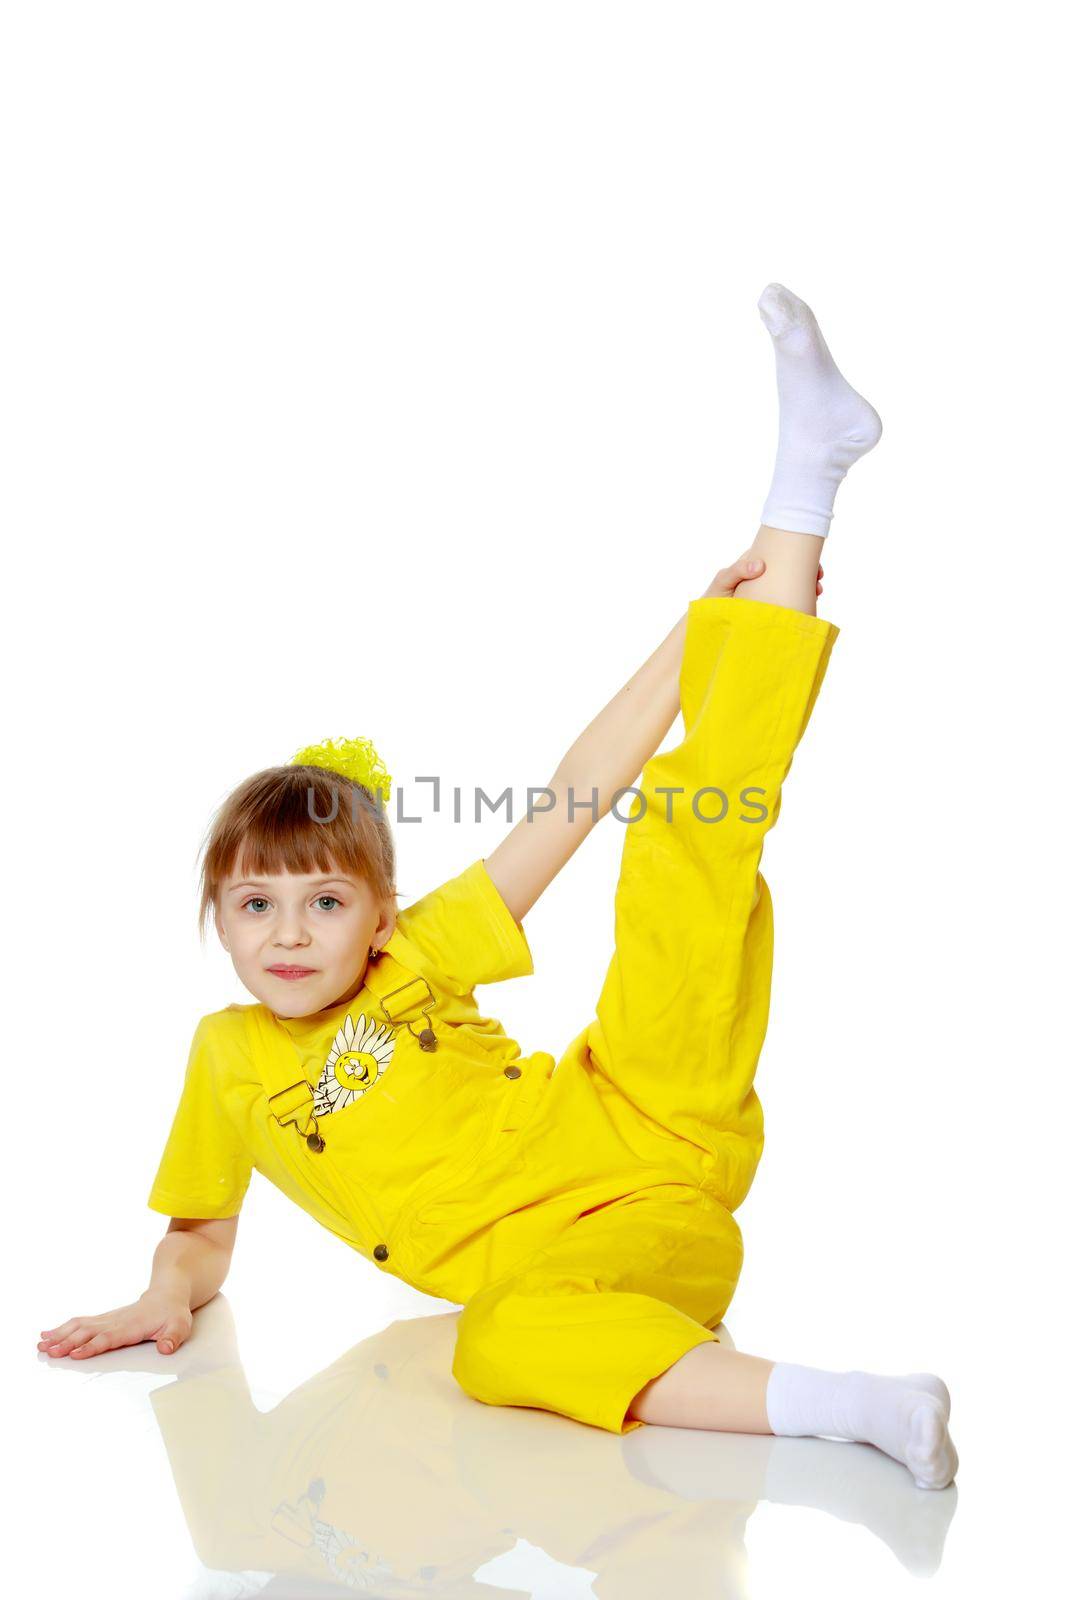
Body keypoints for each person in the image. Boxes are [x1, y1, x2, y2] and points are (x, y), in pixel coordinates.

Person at [38, 284, 957, 1492]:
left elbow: (574, 794)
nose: (289, 932)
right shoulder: (226, 1058)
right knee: (493, 1346)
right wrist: (159, 1301)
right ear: (217, 918)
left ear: (376, 911)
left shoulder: (415, 955)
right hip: (611, 1253)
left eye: (324, 900)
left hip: (641, 1116)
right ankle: (862, 1408)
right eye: (254, 904)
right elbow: (201, 1235)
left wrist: (694, 631)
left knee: (686, 846)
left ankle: (804, 481)